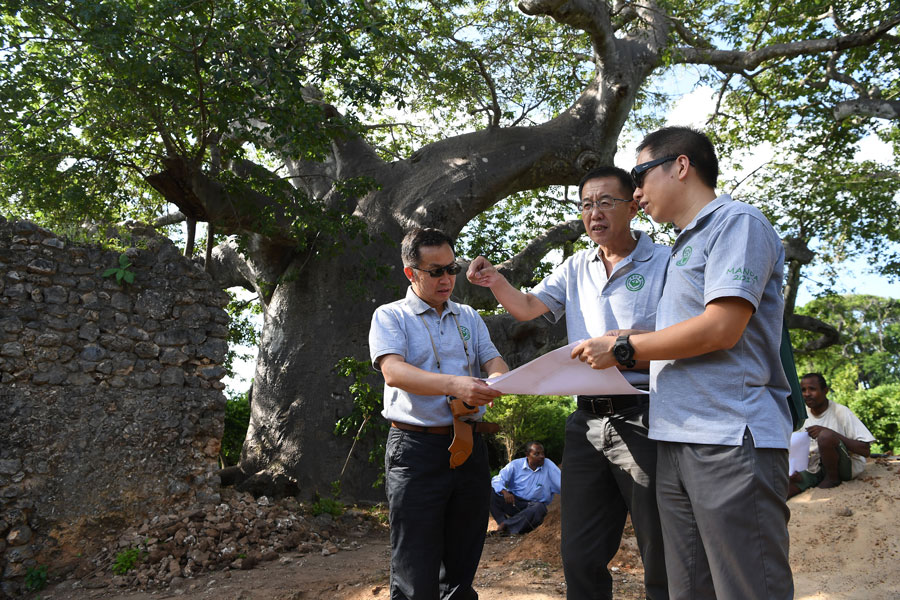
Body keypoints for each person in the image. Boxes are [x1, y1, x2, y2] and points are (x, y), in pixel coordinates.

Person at [571, 126, 794, 599]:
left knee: (746, 587)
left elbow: (722, 328)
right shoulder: (681, 247)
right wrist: (629, 337)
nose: (635, 192)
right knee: (688, 589)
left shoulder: (737, 223)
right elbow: (683, 334)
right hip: (673, 438)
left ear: (680, 166)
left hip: (728, 438)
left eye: (639, 176)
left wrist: (626, 350)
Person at [467, 166, 669, 599]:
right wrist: (495, 280)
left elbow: (686, 335)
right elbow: (527, 306)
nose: (595, 213)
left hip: (646, 416)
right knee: (579, 552)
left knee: (661, 546)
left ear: (633, 206)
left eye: (606, 202)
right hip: (586, 422)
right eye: (586, 205)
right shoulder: (576, 265)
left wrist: (624, 343)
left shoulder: (667, 262)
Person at [369, 227, 509, 600]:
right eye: (435, 272)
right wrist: (456, 385)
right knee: (415, 569)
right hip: (416, 449)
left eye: (452, 269)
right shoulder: (391, 316)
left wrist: (498, 378)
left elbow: (494, 360)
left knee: (462, 566)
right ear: (410, 273)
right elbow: (393, 372)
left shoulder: (469, 316)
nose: (447, 279)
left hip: (470, 446)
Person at [788, 372, 875, 498]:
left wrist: (832, 434)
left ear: (825, 391)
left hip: (843, 468)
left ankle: (832, 479)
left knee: (825, 436)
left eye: (812, 389)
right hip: (813, 468)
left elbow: (865, 450)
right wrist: (793, 470)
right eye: (803, 390)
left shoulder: (841, 412)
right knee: (784, 489)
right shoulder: (801, 416)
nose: (807, 394)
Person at [490, 441, 561, 535]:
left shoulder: (549, 465)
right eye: (537, 454)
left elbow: (562, 484)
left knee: (539, 507)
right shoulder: (515, 465)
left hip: (533, 507)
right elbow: (497, 480)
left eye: (543, 453)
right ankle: (502, 523)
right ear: (527, 455)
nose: (542, 456)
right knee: (491, 492)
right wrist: (504, 492)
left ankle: (506, 526)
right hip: (514, 503)